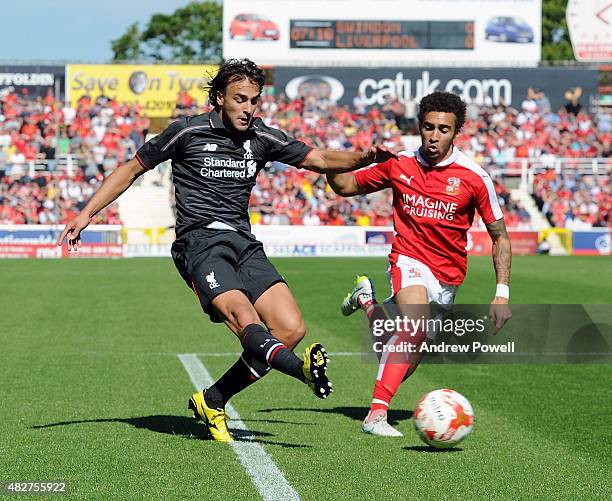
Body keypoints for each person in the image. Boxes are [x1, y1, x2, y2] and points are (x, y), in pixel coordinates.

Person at [56, 59, 398, 443]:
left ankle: (213, 399)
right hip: (199, 245)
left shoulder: (262, 137)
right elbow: (131, 169)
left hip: (244, 245)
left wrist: (365, 158)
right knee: (245, 318)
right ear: (220, 98)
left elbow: (319, 159)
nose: (249, 108)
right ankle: (301, 371)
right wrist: (86, 212)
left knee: (290, 327)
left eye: (254, 100)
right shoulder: (187, 131)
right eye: (240, 99)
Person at [326, 91, 512, 437]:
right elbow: (344, 186)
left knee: (399, 357)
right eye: (428, 127)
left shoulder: (474, 177)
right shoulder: (399, 165)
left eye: (444, 129)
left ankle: (366, 302)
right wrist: (349, 161)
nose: (434, 136)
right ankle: (376, 416)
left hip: (448, 276)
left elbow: (500, 236)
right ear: (419, 127)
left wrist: (501, 293)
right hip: (408, 259)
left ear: (457, 133)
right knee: (412, 327)